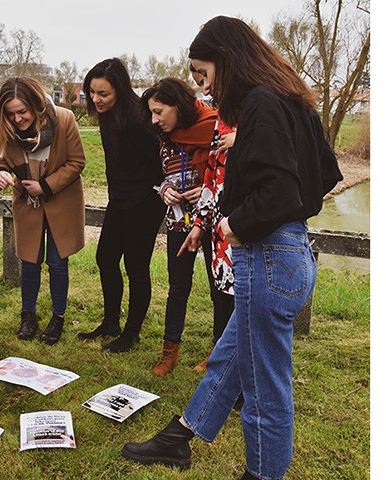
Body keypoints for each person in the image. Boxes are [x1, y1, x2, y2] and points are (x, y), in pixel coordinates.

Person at [121, 16, 343, 479]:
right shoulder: (291, 98)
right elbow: (323, 175)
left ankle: (262, 474)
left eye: (202, 75)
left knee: (265, 391)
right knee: (231, 354)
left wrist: (231, 224)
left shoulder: (260, 103)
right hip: (291, 253)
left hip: (266, 256)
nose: (203, 89)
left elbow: (277, 193)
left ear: (227, 60)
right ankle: (180, 436)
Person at [138, 77, 235, 376]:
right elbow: (163, 171)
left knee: (219, 290)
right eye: (151, 113)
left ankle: (217, 352)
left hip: (214, 221)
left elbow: (228, 172)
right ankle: (169, 353)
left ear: (177, 105)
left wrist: (204, 190)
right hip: (179, 219)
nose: (154, 120)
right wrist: (165, 190)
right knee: (177, 287)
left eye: (159, 112)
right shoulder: (165, 136)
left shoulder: (216, 127)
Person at [78, 58, 166, 353]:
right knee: (105, 258)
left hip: (144, 201)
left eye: (103, 94)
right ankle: (111, 322)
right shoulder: (107, 114)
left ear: (120, 89)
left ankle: (131, 334)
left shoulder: (138, 118)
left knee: (136, 267)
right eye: (92, 92)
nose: (96, 99)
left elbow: (158, 164)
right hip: (119, 198)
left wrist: (147, 195)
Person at [0, 77, 86, 345]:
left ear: (36, 105)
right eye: (10, 113)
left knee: (57, 262)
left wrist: (45, 186)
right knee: (30, 261)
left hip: (60, 203)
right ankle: (28, 316)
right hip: (28, 206)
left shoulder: (64, 119)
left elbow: (77, 161)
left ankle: (58, 317)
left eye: (23, 111)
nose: (18, 119)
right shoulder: (5, 128)